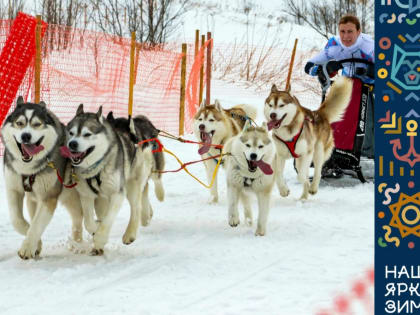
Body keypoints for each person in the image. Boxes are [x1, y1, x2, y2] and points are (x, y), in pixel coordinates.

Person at [304, 14, 375, 178]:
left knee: (370, 121)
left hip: (370, 88)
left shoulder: (370, 46)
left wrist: (372, 71)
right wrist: (323, 69)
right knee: (337, 116)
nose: (346, 36)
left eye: (350, 31)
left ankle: (368, 155)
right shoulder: (334, 45)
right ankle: (334, 152)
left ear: (359, 31)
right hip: (347, 87)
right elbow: (309, 66)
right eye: (342, 31)